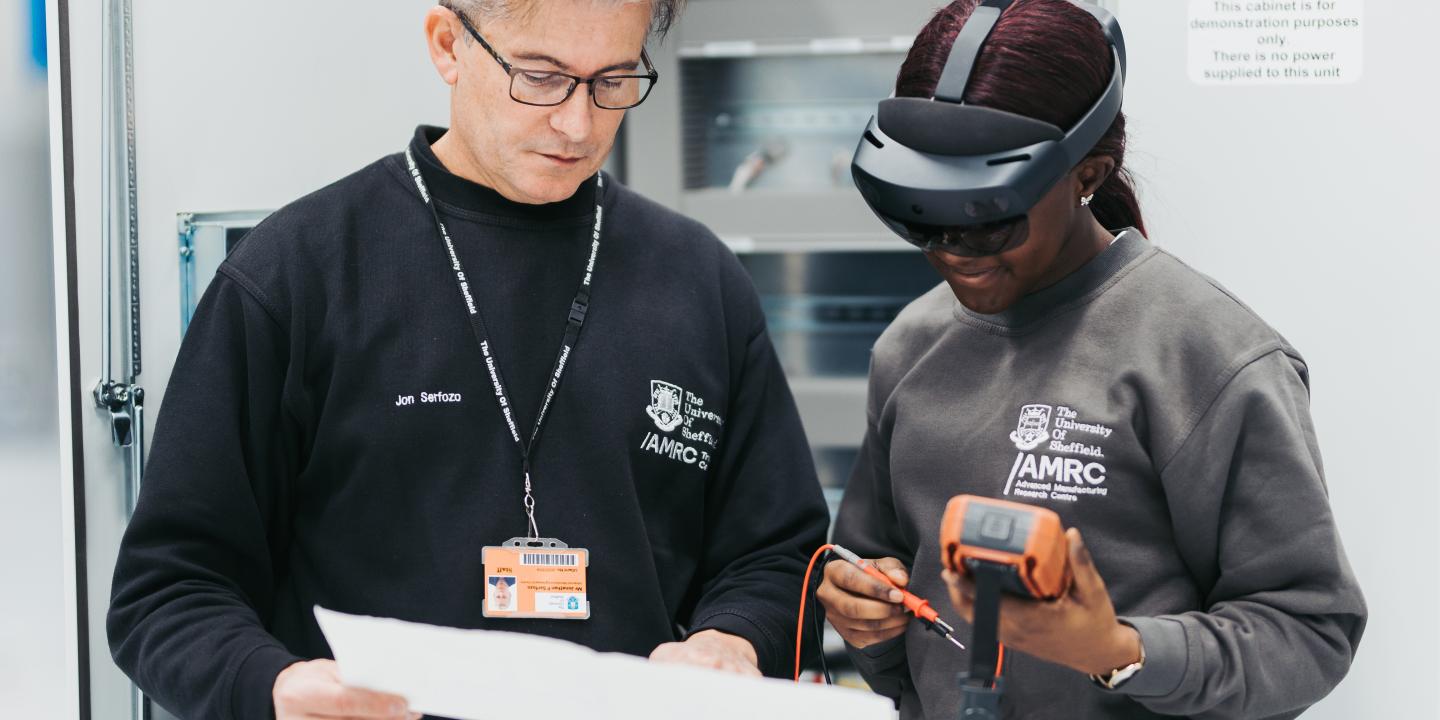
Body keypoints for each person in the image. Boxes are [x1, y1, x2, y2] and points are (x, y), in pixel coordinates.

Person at [106, 1, 829, 718]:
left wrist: (735, 637)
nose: (578, 124)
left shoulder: (697, 279)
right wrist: (272, 686)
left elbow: (774, 555)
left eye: (613, 81)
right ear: (448, 45)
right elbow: (170, 589)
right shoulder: (299, 274)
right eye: (542, 78)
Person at [817, 1, 1366, 718]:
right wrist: (867, 613)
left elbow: (1309, 632)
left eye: (988, 217)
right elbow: (870, 570)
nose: (952, 249)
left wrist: (1119, 650)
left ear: (1088, 175)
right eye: (925, 217)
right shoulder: (910, 346)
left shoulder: (1206, 357)